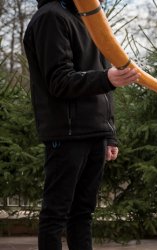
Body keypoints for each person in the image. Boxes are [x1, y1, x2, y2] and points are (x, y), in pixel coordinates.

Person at [23, 0, 140, 249]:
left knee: (83, 214)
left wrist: (110, 135)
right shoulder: (50, 17)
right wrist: (108, 78)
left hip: (96, 132)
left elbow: (104, 81)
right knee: (56, 213)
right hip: (66, 133)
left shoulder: (91, 20)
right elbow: (59, 81)